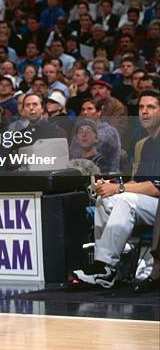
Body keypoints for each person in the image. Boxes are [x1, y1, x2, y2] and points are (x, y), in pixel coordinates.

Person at [72, 90, 160, 288]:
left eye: (151, 107)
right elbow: (138, 183)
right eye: (141, 108)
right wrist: (109, 187)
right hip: (150, 203)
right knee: (106, 199)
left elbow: (157, 187)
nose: (144, 112)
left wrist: (119, 189)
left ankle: (105, 265)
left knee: (122, 199)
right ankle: (108, 268)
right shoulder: (145, 145)